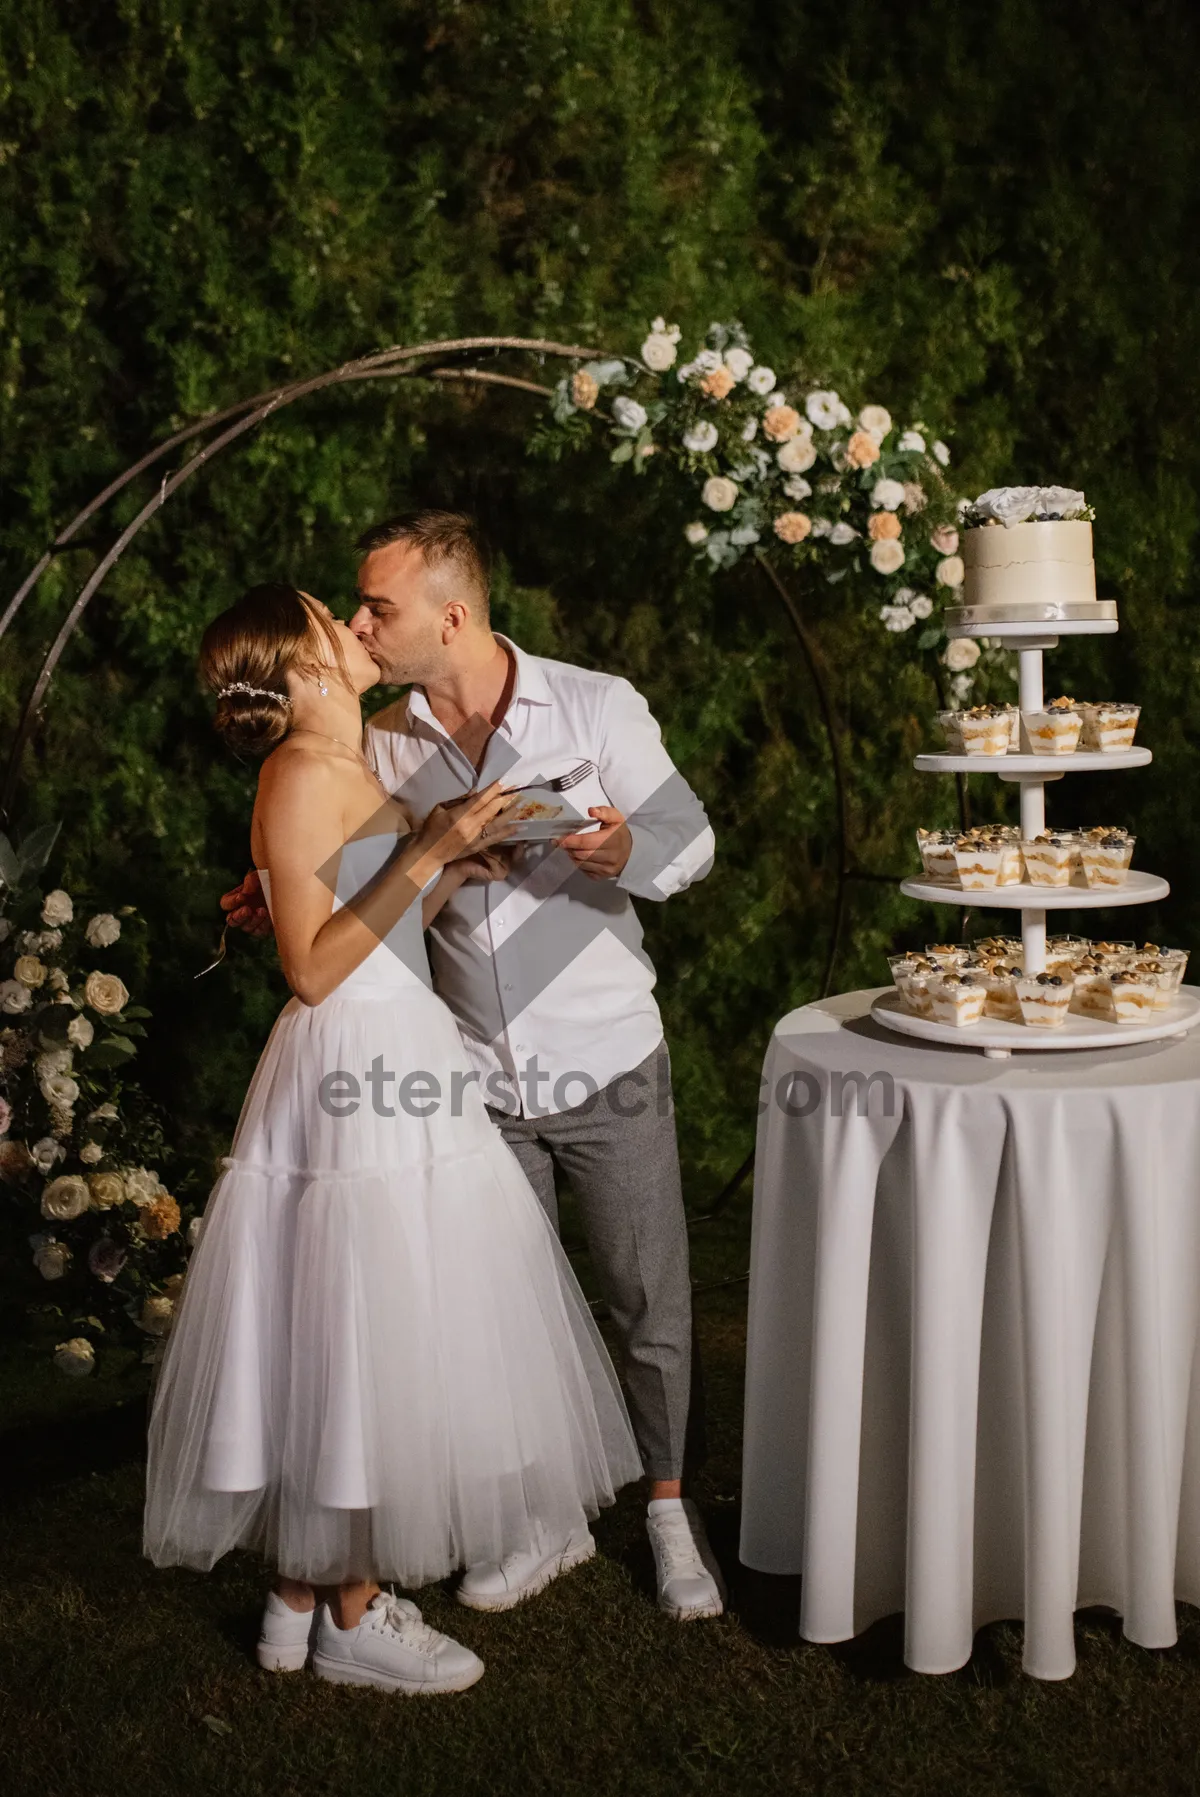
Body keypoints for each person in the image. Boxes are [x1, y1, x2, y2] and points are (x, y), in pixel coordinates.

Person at [222, 512, 725, 1621]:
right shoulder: (385, 739)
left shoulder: (595, 704)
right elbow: (367, 874)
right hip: (464, 1080)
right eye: (353, 609)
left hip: (605, 1060)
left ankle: (667, 1512)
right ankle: (535, 1522)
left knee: (648, 1305)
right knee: (504, 1319)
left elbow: (692, 844)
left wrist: (621, 848)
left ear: (451, 615)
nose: (360, 621)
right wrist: (282, 892)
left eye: (377, 608)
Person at [144, 582, 642, 1695]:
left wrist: (456, 862)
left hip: (397, 1042)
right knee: (367, 1325)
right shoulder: (302, 773)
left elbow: (372, 924)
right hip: (353, 1066)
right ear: (304, 662)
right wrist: (433, 849)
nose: (358, 631)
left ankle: (297, 1599)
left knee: (362, 1323)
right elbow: (313, 969)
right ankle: (355, 1614)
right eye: (337, 619)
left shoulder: (346, 765)